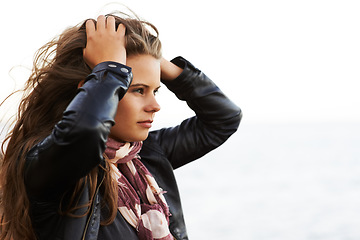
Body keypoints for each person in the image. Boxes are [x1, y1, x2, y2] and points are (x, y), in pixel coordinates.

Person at [0, 12, 241, 240]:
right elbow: (84, 135)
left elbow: (223, 119)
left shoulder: (145, 154)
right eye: (138, 90)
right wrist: (112, 69)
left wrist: (158, 64)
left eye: (155, 90)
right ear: (93, 88)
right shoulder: (52, 164)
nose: (155, 105)